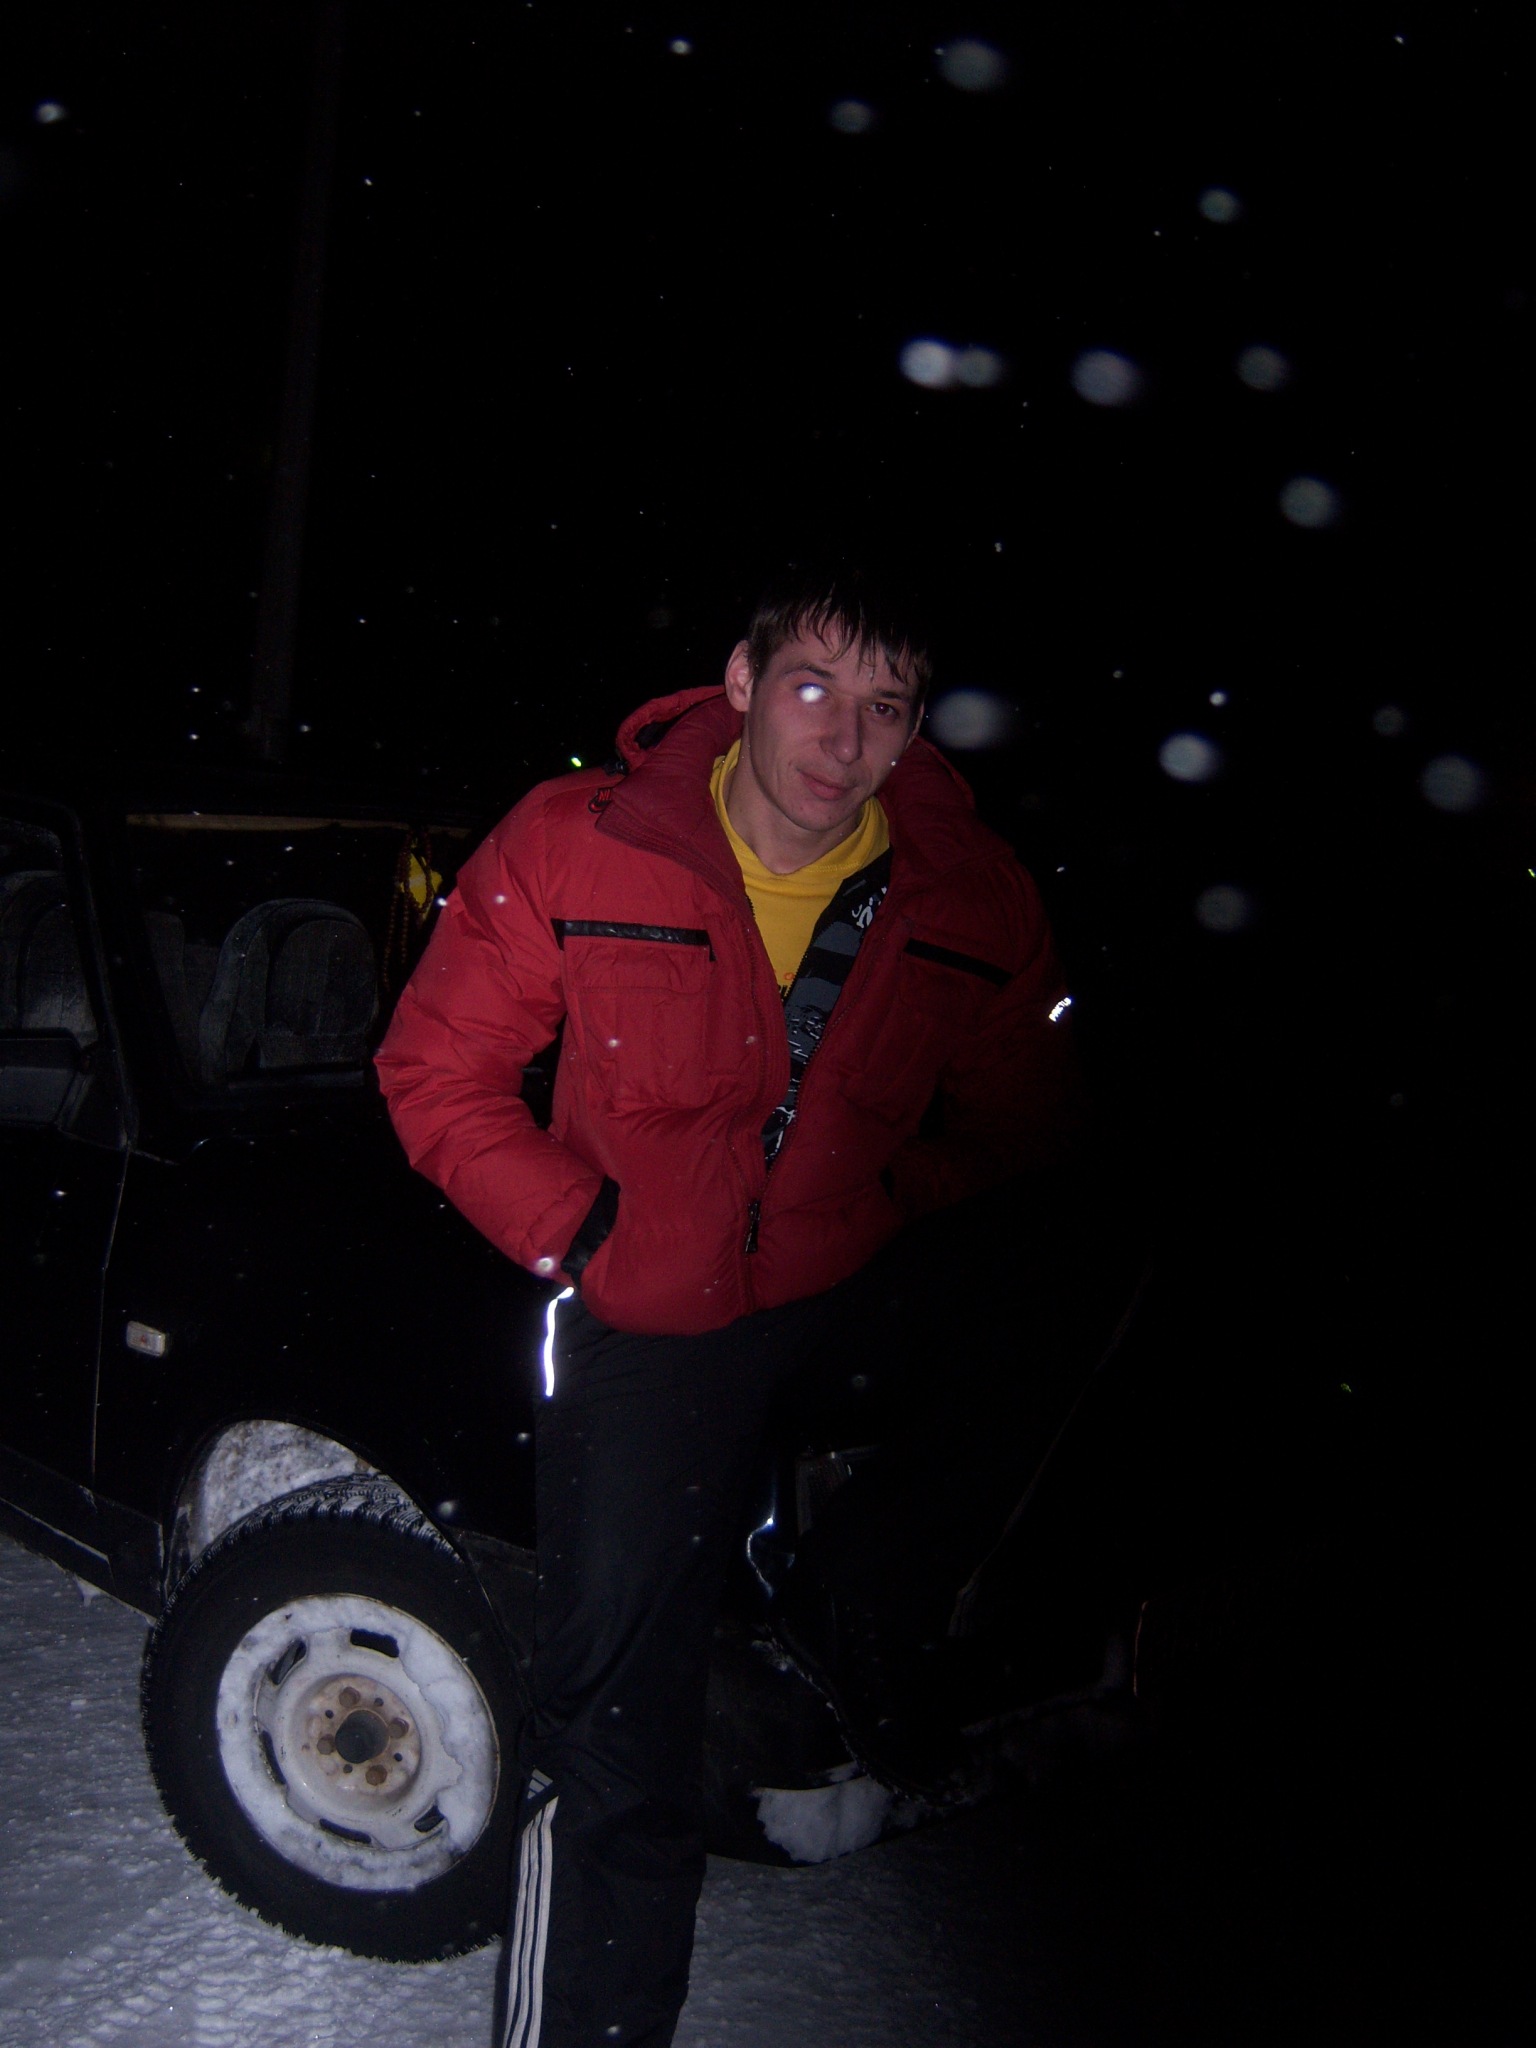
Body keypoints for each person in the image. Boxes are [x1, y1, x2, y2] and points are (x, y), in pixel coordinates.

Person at [375, 565, 1081, 2048]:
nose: (844, 739)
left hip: (843, 1282)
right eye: (815, 688)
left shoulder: (972, 895)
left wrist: (900, 1192)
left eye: (886, 707)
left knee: (1090, 1282)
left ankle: (864, 1601)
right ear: (745, 684)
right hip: (656, 1309)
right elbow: (436, 1069)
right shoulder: (584, 840)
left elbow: (1026, 1109)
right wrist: (585, 1231)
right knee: (614, 1720)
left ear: (916, 731)